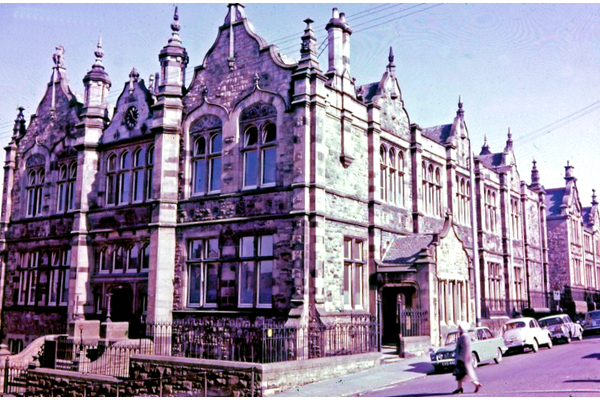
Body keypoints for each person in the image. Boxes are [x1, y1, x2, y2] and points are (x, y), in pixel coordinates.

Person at [452, 322, 483, 394]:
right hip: (464, 359)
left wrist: (460, 357)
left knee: (462, 373)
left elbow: (464, 348)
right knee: (460, 374)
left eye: (459, 328)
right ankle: (459, 388)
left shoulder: (464, 337)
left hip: (462, 359)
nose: (458, 329)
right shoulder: (464, 336)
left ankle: (475, 384)